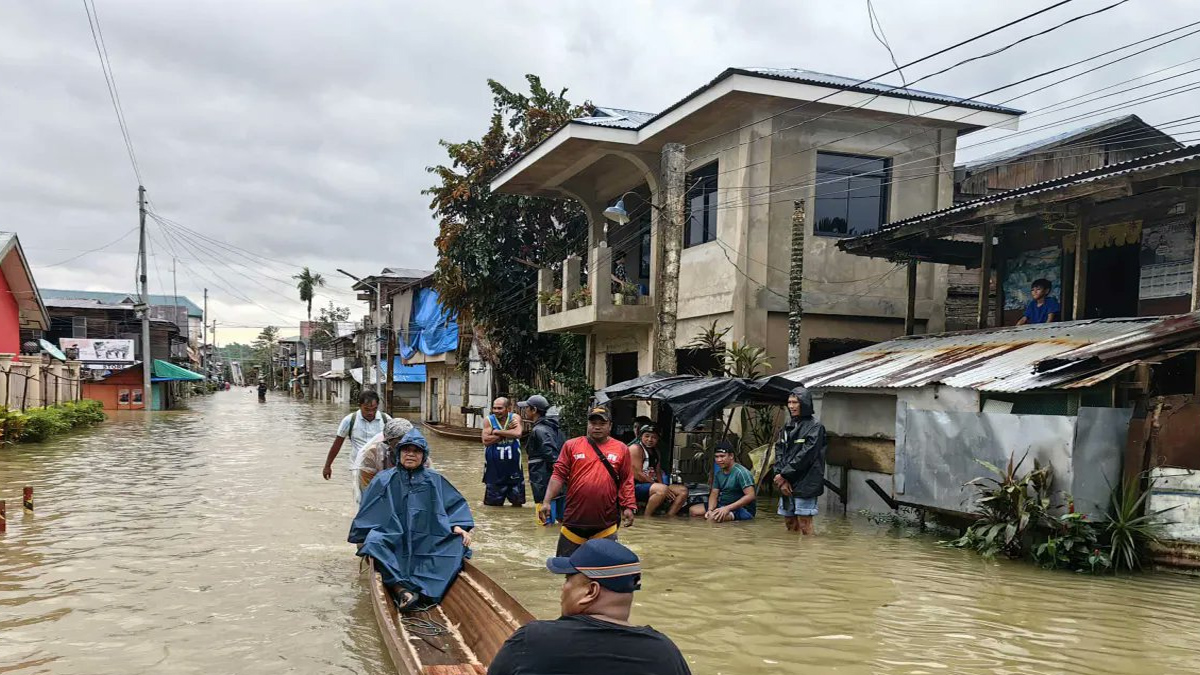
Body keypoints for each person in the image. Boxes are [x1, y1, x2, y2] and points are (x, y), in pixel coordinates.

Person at [487, 539, 691, 675]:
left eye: (568, 579)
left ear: (590, 591)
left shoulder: (532, 639)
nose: (563, 588)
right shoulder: (665, 653)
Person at [349, 429, 473, 610]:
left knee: (457, 544)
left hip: (428, 538)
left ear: (424, 456)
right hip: (393, 537)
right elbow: (368, 513)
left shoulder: (435, 480)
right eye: (406, 450)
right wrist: (370, 533)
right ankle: (400, 589)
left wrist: (458, 526)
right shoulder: (383, 480)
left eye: (416, 451)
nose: (411, 455)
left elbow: (454, 506)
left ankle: (425, 591)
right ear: (399, 453)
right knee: (373, 542)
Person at [538, 406, 636, 556]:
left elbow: (626, 480)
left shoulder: (621, 449)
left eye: (602, 423)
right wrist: (546, 501)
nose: (597, 427)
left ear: (610, 426)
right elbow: (558, 475)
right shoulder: (571, 446)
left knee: (603, 572)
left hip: (606, 522)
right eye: (593, 423)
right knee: (567, 568)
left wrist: (628, 506)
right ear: (587, 425)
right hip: (573, 520)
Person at [773, 387, 826, 535]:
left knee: (805, 524)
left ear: (804, 403)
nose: (791, 406)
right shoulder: (787, 427)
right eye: (789, 402)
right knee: (790, 523)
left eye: (795, 402)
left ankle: (808, 555)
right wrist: (779, 476)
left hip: (806, 481)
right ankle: (791, 555)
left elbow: (806, 455)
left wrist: (784, 475)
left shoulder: (815, 427)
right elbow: (779, 451)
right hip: (785, 481)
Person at [323, 390, 391, 483]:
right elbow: (337, 444)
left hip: (382, 468)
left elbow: (395, 443)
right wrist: (327, 466)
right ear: (359, 405)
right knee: (360, 496)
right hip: (358, 467)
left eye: (374, 409)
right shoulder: (349, 420)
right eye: (367, 409)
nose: (371, 413)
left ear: (377, 406)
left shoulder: (386, 420)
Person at [519, 394, 565, 522]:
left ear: (534, 410)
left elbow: (551, 455)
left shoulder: (539, 430)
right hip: (559, 484)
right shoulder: (555, 428)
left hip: (543, 483)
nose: (525, 411)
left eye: (527, 408)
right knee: (563, 521)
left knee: (544, 522)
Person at [350, 417, 415, 504]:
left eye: (408, 443)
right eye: (398, 444)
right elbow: (368, 492)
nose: (404, 448)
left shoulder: (420, 455)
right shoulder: (371, 456)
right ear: (388, 443)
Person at [628, 425, 688, 517]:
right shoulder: (635, 448)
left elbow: (658, 472)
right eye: (647, 436)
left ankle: (669, 517)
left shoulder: (656, 452)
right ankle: (647, 517)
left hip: (652, 485)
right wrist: (660, 487)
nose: (650, 439)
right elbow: (637, 474)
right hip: (634, 486)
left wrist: (664, 486)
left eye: (654, 437)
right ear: (641, 437)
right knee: (661, 490)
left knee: (683, 491)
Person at [691, 441, 757, 521]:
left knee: (713, 518)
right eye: (716, 457)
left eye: (722, 456)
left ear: (731, 456)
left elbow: (750, 495)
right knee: (693, 511)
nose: (719, 460)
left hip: (742, 509)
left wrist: (727, 508)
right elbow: (714, 493)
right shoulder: (719, 473)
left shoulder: (741, 473)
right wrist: (710, 510)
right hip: (723, 505)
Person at [482, 397, 525, 507]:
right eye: (494, 408)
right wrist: (505, 434)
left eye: (500, 408)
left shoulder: (515, 417)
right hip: (494, 472)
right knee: (493, 507)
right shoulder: (488, 420)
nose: (496, 411)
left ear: (508, 408)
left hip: (514, 471)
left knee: (517, 505)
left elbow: (518, 433)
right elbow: (486, 441)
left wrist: (496, 432)